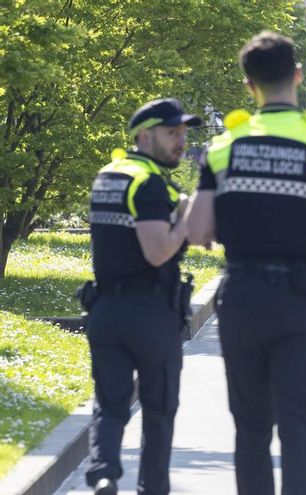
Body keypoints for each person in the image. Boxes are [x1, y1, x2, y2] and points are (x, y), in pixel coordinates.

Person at [185, 31, 306, 495]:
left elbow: (197, 230)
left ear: (248, 84)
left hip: (243, 298)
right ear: (297, 75)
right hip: (303, 299)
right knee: (299, 425)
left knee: (251, 428)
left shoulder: (224, 146)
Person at [83, 98, 201, 494]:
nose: (181, 141)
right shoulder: (149, 184)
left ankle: (103, 472)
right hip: (150, 314)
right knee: (159, 409)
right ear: (145, 136)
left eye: (183, 132)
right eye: (172, 133)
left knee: (110, 402)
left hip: (105, 310)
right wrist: (184, 217)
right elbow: (157, 251)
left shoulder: (107, 175)